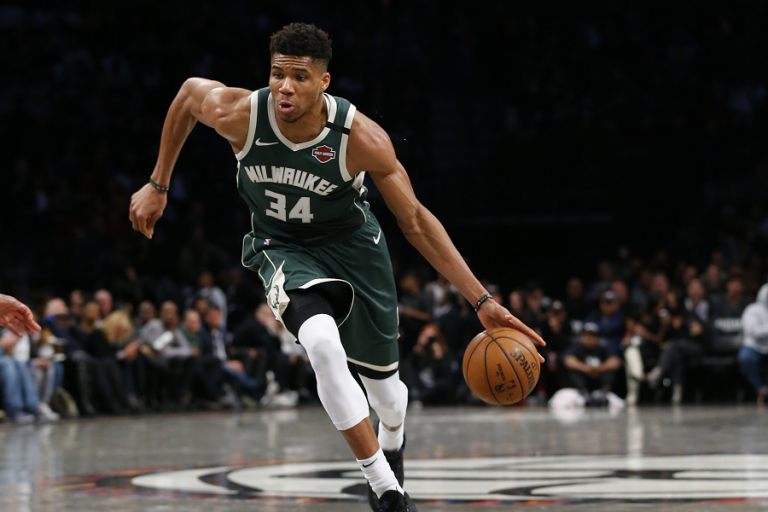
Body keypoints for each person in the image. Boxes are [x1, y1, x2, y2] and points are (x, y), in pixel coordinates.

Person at [128, 22, 544, 512]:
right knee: (322, 345)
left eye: (299, 77)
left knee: (387, 397)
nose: (285, 87)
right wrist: (158, 184)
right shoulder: (239, 114)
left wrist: (482, 300)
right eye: (278, 74)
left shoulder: (361, 138)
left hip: (354, 251)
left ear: (324, 81)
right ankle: (387, 491)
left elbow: (414, 221)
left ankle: (393, 438)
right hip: (282, 246)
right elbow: (186, 96)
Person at [562, 322, 622, 398]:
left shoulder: (603, 346)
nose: (589, 338)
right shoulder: (576, 346)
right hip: (583, 379)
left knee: (609, 371)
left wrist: (599, 369)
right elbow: (567, 360)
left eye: (592, 336)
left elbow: (616, 361)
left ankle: (604, 393)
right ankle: (583, 392)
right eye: (586, 335)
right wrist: (585, 368)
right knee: (573, 371)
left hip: (598, 378)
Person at [738, 284, 768, 404]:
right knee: (745, 358)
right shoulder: (752, 310)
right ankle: (760, 389)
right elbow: (752, 331)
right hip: (754, 346)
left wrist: (762, 330)